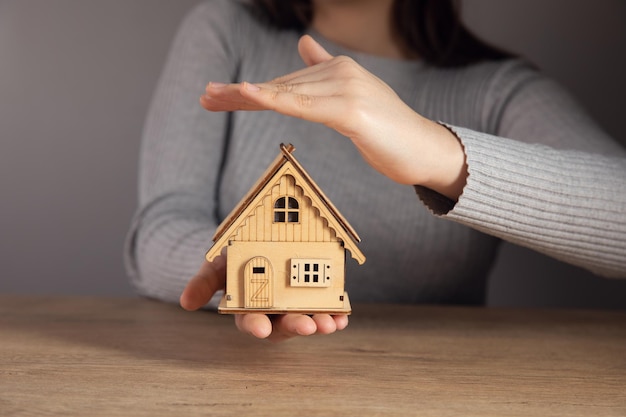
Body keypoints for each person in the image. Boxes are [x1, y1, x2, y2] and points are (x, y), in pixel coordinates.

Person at [125, 0, 626, 342]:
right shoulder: (226, 30)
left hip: (432, 388)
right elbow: (160, 225)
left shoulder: (498, 91)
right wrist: (249, 267)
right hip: (239, 374)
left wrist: (434, 150)